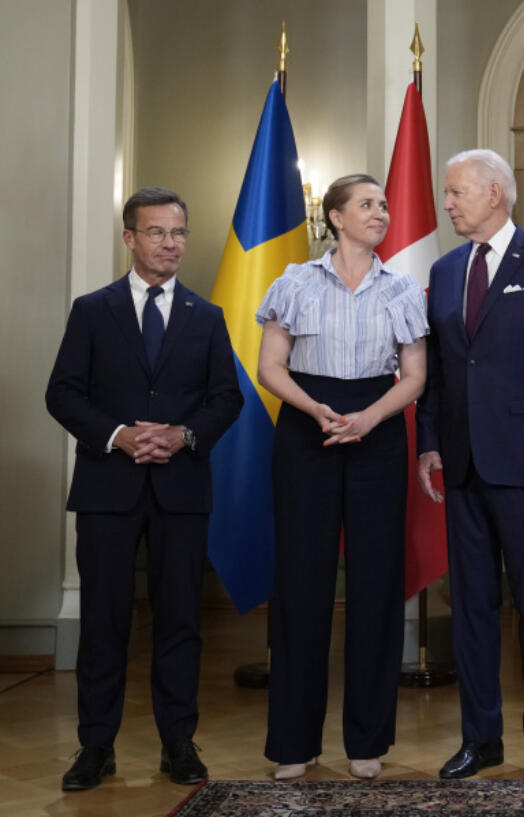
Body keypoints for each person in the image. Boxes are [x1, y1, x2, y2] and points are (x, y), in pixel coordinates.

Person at [46, 187, 243, 791]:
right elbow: (63, 394)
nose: (171, 244)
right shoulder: (92, 310)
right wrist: (117, 435)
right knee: (104, 621)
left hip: (181, 490)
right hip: (109, 488)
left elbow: (227, 399)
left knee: (181, 619)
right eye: (157, 232)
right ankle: (95, 748)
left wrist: (182, 435)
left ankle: (178, 743)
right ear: (129, 238)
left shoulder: (206, 317)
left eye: (179, 232)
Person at [416, 149, 524, 782]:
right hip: (460, 467)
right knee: (472, 610)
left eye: (456, 191)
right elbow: (435, 370)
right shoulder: (443, 269)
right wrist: (429, 443)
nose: (448, 202)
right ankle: (479, 739)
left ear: (494, 193)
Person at [256, 173, 428, 781]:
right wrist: (317, 412)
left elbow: (414, 376)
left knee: (377, 586)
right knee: (301, 583)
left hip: (377, 431)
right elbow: (270, 366)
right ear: (335, 217)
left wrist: (370, 418)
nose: (380, 212)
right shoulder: (294, 282)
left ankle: (367, 740)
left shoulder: (402, 287)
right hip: (307, 428)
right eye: (367, 205)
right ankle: (293, 745)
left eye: (384, 204)